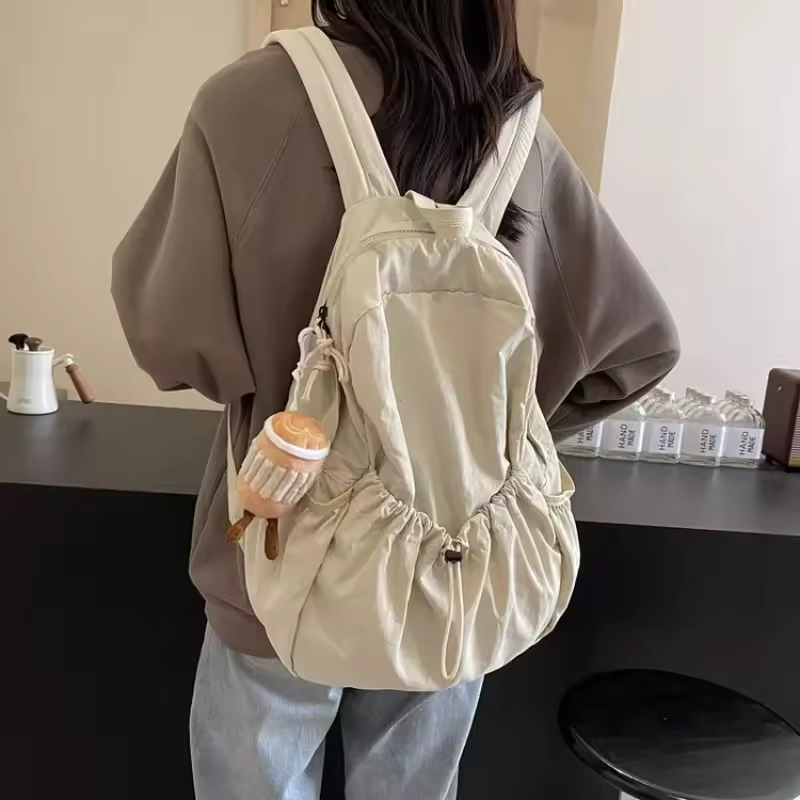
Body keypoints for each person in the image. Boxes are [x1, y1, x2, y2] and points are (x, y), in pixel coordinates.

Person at [112, 1, 679, 798]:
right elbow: (639, 348)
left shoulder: (247, 101)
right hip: (451, 559)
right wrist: (487, 425)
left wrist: (278, 392)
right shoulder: (516, 133)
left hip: (277, 553)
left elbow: (167, 339)